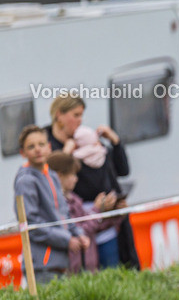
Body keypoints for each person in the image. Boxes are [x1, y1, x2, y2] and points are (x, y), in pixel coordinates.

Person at [46, 95, 136, 269]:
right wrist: (66, 155)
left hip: (105, 225)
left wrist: (115, 142)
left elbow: (122, 170)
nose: (80, 120)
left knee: (113, 271)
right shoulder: (47, 146)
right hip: (77, 230)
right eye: (76, 115)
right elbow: (51, 185)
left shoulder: (87, 141)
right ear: (59, 115)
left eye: (81, 115)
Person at [13, 126, 87, 286]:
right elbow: (31, 225)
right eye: (31, 146)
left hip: (61, 263)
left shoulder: (52, 175)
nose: (37, 149)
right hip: (42, 266)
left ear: (49, 147)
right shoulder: (25, 181)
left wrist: (78, 234)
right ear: (23, 153)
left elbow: (64, 214)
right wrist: (67, 239)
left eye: (41, 144)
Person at [48, 152, 123, 274]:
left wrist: (115, 213)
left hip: (89, 266)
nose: (76, 179)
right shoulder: (56, 203)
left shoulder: (75, 199)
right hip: (74, 269)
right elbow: (81, 230)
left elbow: (94, 226)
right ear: (59, 176)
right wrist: (97, 209)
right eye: (73, 174)